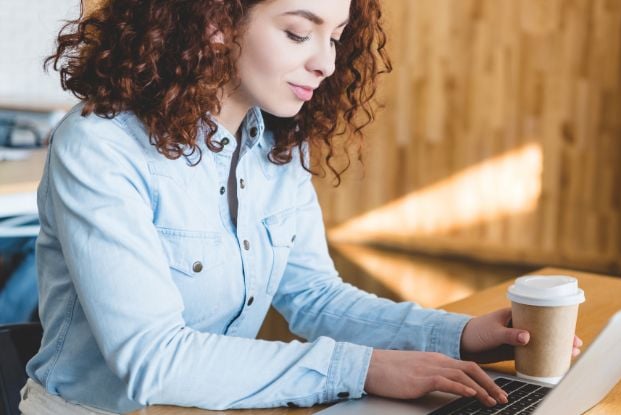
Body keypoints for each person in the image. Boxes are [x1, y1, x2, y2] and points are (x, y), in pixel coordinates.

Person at [19, 0, 583, 414]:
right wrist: (361, 368)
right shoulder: (101, 145)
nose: (327, 63)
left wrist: (457, 335)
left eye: (335, 37)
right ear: (215, 22)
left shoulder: (276, 144)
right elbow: (154, 360)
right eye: (297, 33)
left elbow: (313, 296)